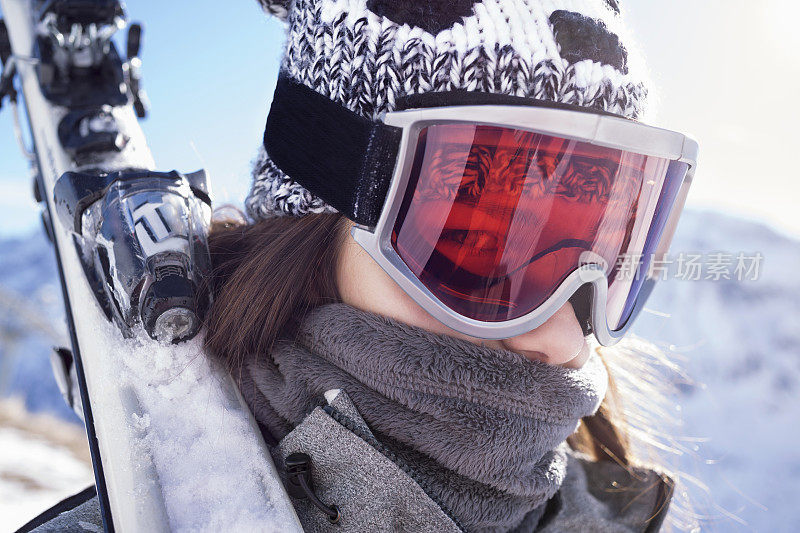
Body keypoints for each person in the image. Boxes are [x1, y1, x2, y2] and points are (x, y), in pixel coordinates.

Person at [203, 0, 697, 531]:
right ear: (311, 238)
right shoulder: (151, 496)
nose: (568, 343)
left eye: (611, 253)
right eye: (483, 244)